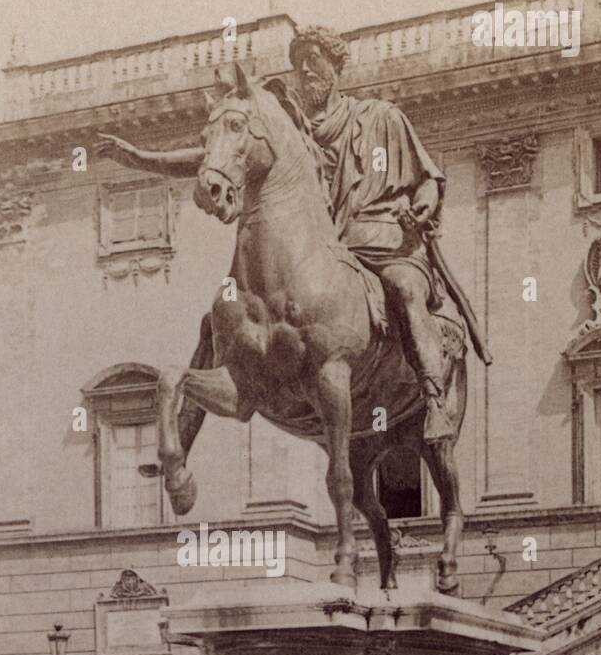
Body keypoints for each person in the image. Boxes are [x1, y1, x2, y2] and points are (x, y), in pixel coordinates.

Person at [97, 23, 489, 445]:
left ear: (335, 67)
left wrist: (423, 203)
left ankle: (433, 401)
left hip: (386, 242)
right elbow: (217, 155)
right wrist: (141, 159)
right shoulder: (294, 130)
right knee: (217, 323)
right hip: (330, 248)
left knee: (403, 288)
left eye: (314, 61)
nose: (306, 71)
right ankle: (183, 440)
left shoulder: (381, 116)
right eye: (299, 65)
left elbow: (428, 178)